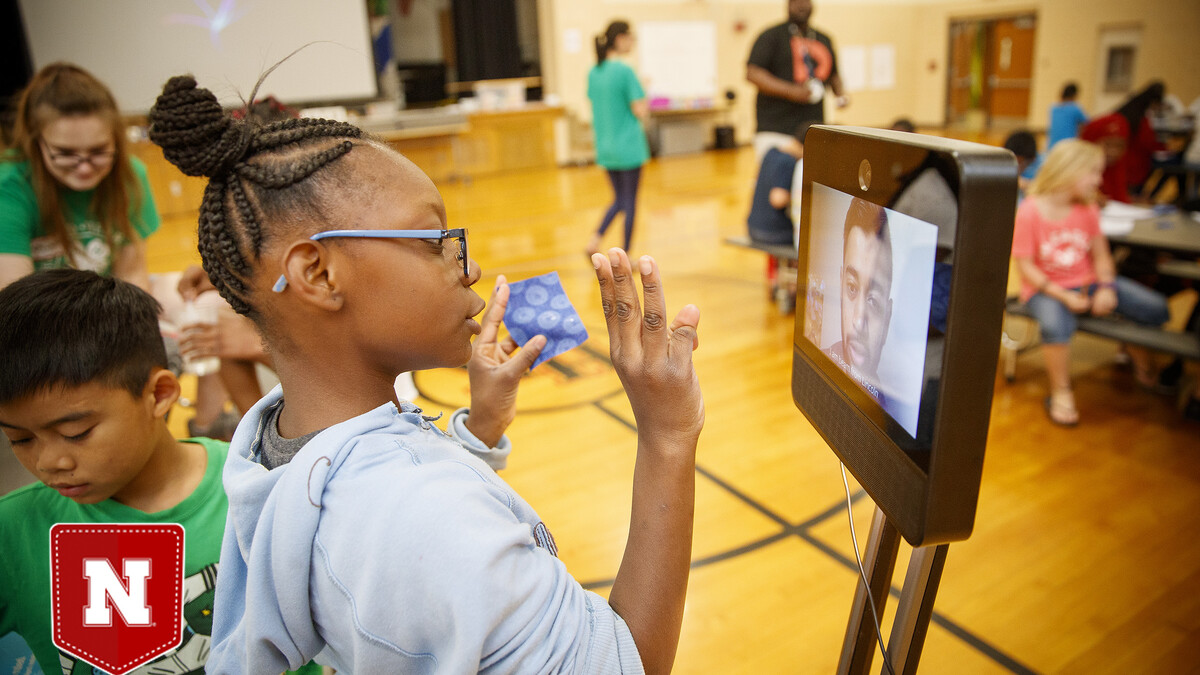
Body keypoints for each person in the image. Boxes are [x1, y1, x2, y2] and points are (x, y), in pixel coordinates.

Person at [148, 74, 703, 674]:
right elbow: (628, 664)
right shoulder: (424, 521)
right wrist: (668, 436)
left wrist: (482, 426)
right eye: (435, 239)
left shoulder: (273, 439)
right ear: (319, 274)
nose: (469, 266)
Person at [0, 269, 321, 675]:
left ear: (160, 394)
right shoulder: (11, 533)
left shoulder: (260, 486)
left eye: (75, 433)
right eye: (20, 439)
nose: (50, 462)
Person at [0, 62, 251, 439]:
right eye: (66, 154)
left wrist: (140, 328)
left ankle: (206, 425)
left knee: (208, 306)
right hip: (41, 321)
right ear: (37, 143)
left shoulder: (129, 173)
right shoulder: (11, 187)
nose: (85, 167)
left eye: (99, 152)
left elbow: (132, 273)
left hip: (101, 302)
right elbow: (15, 301)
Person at [1011, 139, 1170, 426]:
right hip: (1044, 289)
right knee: (1055, 324)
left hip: (1088, 284)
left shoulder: (1088, 209)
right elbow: (1026, 268)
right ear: (1069, 171)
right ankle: (1061, 391)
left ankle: (1138, 350)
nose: (1098, 179)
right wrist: (1063, 296)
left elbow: (1101, 257)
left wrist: (1107, 287)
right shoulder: (1030, 211)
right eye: (1093, 172)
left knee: (1156, 308)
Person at [746, 0, 847, 162]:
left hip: (813, 129)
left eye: (805, 1)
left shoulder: (824, 38)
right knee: (777, 179)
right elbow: (753, 73)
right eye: (796, 1)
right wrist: (792, 91)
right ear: (787, 5)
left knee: (808, 182)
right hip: (776, 129)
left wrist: (840, 94)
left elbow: (834, 74)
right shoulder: (771, 36)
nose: (801, 6)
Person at [585, 20, 650, 257]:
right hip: (629, 147)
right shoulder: (624, 71)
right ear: (620, 38)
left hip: (606, 147)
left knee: (620, 199)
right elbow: (640, 110)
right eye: (630, 37)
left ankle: (595, 238)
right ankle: (626, 253)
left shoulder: (594, 72)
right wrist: (646, 90)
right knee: (629, 200)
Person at [827, 197, 893, 404]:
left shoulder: (889, 409)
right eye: (852, 288)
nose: (858, 321)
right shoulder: (821, 367)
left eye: (873, 300)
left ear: (887, 319)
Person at [1112, 81, 1166, 196]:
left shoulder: (1128, 109)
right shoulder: (1142, 119)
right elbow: (1147, 142)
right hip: (1135, 162)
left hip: (1123, 161)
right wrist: (1163, 148)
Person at [1080, 113, 1132, 204]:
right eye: (1107, 145)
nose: (1113, 152)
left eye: (1120, 146)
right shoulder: (1075, 171)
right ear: (1091, 143)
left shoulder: (1118, 168)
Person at [1047, 82, 1088, 149]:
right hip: (1068, 146)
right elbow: (1087, 123)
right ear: (1074, 95)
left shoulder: (1053, 108)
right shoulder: (1074, 108)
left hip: (1052, 145)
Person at [1003, 129, 1041, 195]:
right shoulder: (1005, 161)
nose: (1017, 165)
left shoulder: (1041, 165)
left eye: (1019, 162)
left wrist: (1025, 184)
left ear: (1032, 159)